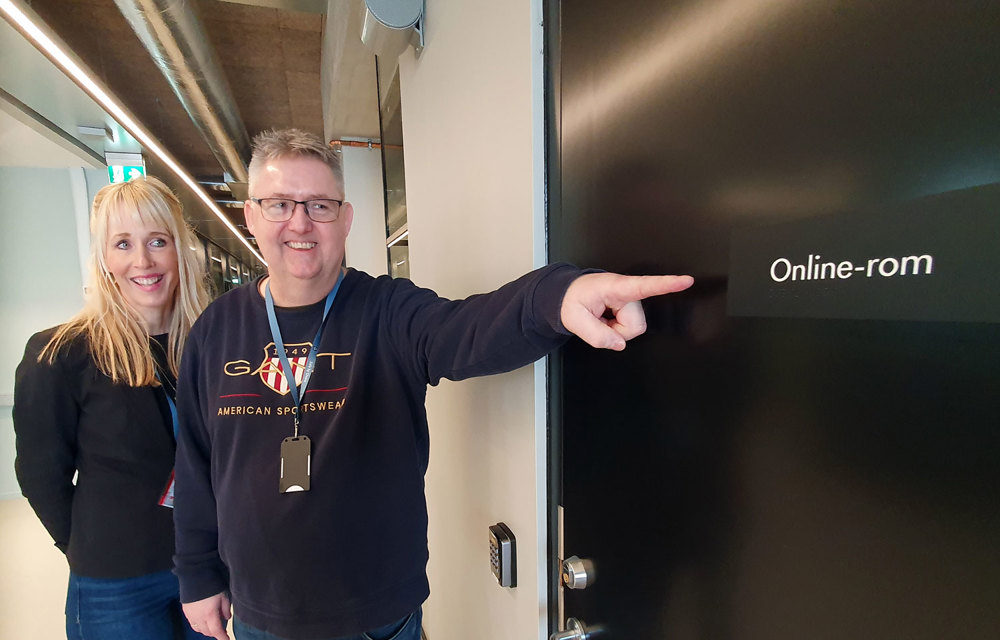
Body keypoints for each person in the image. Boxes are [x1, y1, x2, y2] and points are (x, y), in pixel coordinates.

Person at [174, 128, 694, 640]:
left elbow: (468, 329)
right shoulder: (216, 330)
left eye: (320, 205)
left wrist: (560, 295)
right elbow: (196, 464)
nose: (300, 222)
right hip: (259, 611)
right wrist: (198, 575)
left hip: (376, 615)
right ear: (250, 215)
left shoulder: (388, 310)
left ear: (345, 218)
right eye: (280, 204)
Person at [13, 176, 212, 639]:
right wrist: (84, 546)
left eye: (157, 241)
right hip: (114, 581)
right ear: (104, 259)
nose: (142, 261)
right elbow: (42, 475)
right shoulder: (61, 353)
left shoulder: (211, 344)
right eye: (122, 244)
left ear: (179, 250)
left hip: (207, 571)